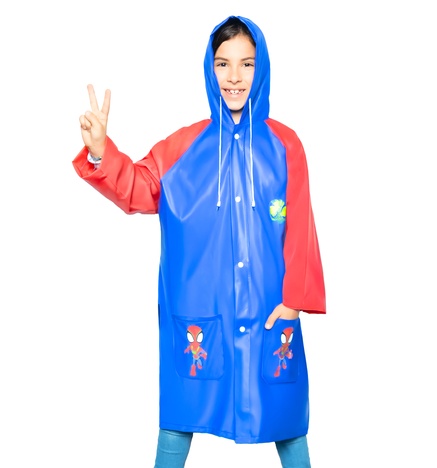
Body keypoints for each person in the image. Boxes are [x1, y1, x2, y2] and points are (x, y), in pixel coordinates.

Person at [73, 15, 326, 468]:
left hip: (270, 313)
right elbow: (139, 188)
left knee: (286, 420)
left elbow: (301, 226)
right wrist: (100, 151)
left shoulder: (286, 145)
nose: (234, 77)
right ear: (210, 70)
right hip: (199, 311)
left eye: (246, 64)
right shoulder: (182, 147)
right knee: (180, 413)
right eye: (223, 64)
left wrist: (293, 302)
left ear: (262, 67)